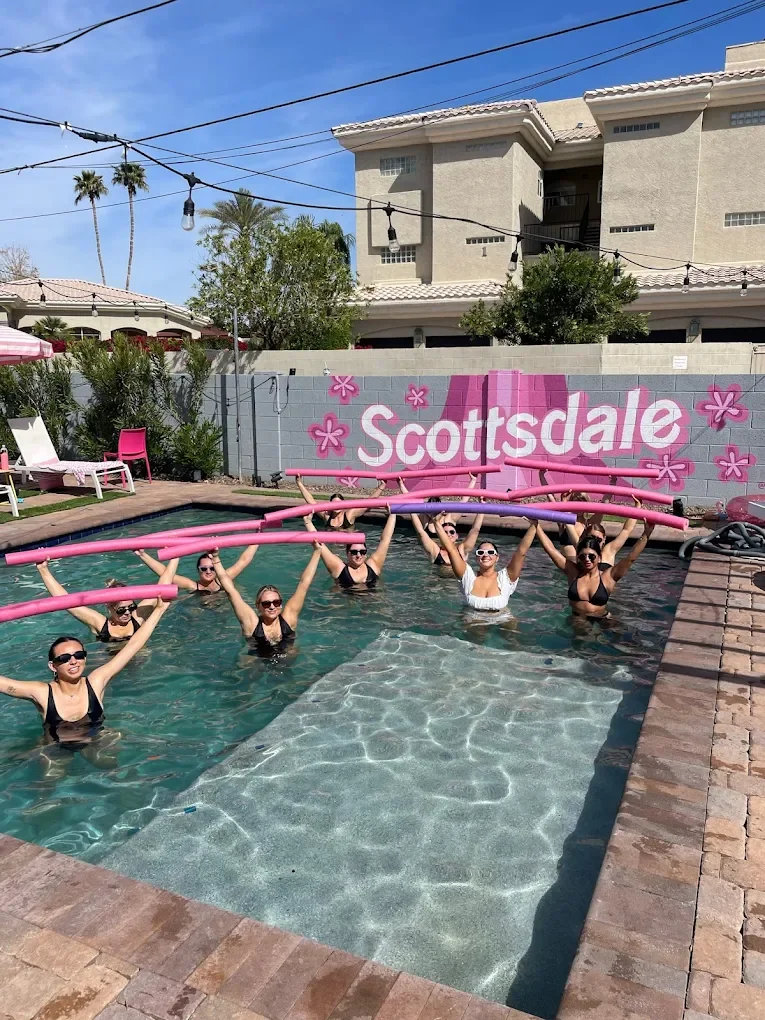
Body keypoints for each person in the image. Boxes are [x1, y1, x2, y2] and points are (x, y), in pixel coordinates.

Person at [0, 592, 174, 747]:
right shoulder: (41, 692)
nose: (73, 661)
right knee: (48, 780)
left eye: (79, 655)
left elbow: (133, 645)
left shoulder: (96, 681)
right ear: (52, 665)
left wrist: (158, 610)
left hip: (96, 740)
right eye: (64, 658)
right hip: (54, 748)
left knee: (114, 770)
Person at [209, 545, 321, 656]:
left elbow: (304, 583)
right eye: (266, 603)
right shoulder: (251, 623)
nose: (272, 607)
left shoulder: (289, 618)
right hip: (257, 661)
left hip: (287, 661)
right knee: (247, 663)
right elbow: (231, 591)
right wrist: (215, 559)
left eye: (276, 602)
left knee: (294, 652)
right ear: (258, 606)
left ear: (281, 604)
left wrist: (317, 552)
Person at [36, 558, 177, 643]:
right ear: (109, 606)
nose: (128, 613)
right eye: (121, 610)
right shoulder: (99, 623)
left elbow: (162, 587)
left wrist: (175, 557)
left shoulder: (138, 616)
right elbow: (66, 601)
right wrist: (43, 570)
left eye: (131, 607)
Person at [535, 520, 655, 618]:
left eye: (591, 556)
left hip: (603, 619)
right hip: (577, 619)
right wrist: (535, 525)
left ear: (599, 557)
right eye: (582, 556)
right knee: (580, 639)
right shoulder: (572, 572)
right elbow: (550, 549)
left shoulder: (608, 576)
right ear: (577, 557)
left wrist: (647, 533)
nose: (587, 559)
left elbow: (631, 558)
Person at [433, 518, 536, 611]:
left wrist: (533, 525)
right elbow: (452, 550)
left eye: (490, 552)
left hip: (503, 621)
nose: (485, 555)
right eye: (481, 553)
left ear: (497, 558)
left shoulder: (506, 577)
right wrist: (436, 522)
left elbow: (521, 552)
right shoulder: (468, 577)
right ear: (477, 557)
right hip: (473, 622)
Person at [304, 511, 397, 589]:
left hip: (370, 605)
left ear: (366, 553)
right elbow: (320, 545)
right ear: (347, 553)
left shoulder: (374, 565)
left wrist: (393, 514)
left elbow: (385, 540)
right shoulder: (339, 568)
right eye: (354, 552)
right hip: (346, 605)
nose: (359, 555)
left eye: (362, 552)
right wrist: (308, 522)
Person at [135, 546, 257, 595]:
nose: (208, 571)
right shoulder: (192, 585)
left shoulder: (223, 580)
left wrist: (258, 536)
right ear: (198, 570)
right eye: (204, 569)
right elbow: (165, 573)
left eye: (212, 568)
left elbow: (243, 561)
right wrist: (142, 555)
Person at [295, 475, 385, 531]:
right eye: (334, 504)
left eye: (339, 504)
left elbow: (368, 504)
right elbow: (312, 502)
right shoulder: (327, 516)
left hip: (346, 549)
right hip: (332, 547)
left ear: (343, 505)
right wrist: (299, 483)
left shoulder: (349, 515)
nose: (336, 506)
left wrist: (382, 486)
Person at [409, 506, 485, 570]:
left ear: (456, 536)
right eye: (445, 532)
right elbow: (420, 532)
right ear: (440, 535)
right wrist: (410, 509)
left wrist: (482, 507)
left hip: (456, 585)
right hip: (438, 585)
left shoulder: (462, 549)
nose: (448, 534)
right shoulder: (435, 551)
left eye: (452, 532)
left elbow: (475, 530)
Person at [401, 474, 479, 535]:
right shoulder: (425, 518)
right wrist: (400, 483)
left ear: (442, 510)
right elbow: (410, 501)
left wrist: (473, 480)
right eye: (430, 511)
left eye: (435, 511)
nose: (433, 514)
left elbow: (464, 501)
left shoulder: (449, 518)